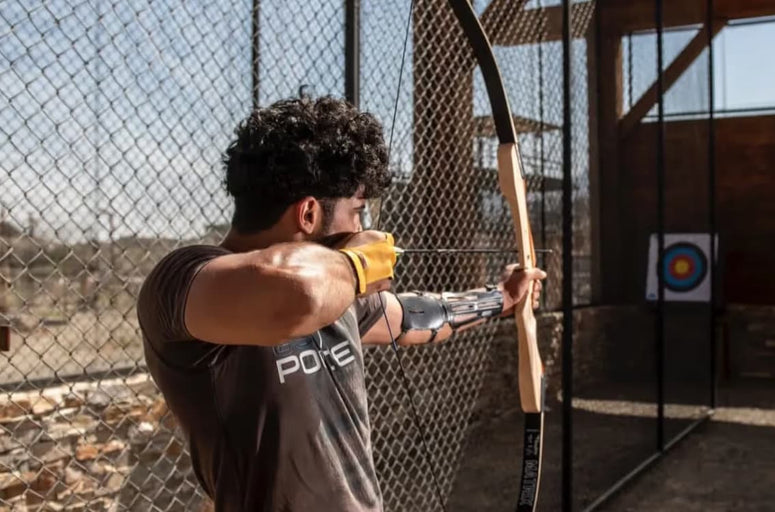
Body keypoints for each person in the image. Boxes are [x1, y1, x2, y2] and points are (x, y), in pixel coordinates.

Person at [137, 95, 546, 512]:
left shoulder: (337, 288)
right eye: (357, 211)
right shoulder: (184, 281)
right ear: (308, 214)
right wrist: (358, 264)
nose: (361, 226)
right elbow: (297, 294)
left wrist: (501, 297)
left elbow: (410, 318)